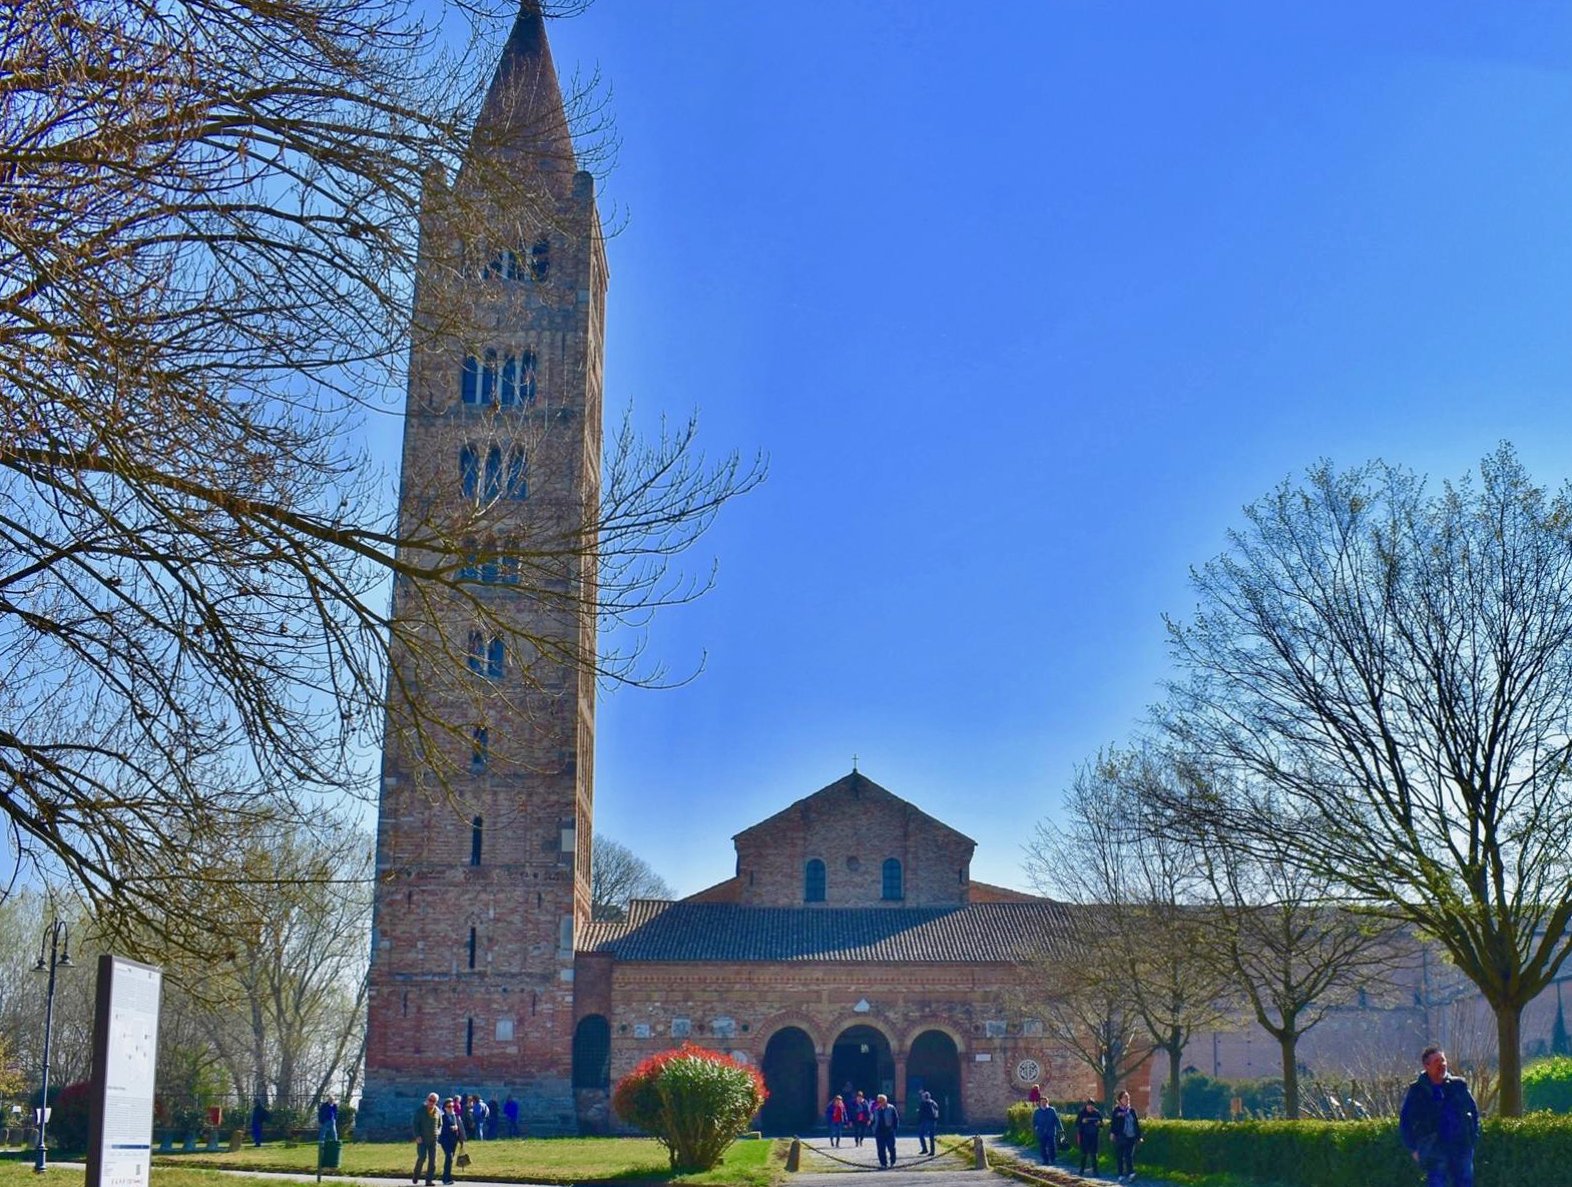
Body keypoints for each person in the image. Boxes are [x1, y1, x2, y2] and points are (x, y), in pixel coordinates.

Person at [1400, 1046, 1481, 1187]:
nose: (1442, 1065)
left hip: (1461, 1147)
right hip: (1434, 1149)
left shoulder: (1458, 1086)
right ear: (1427, 1065)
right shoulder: (1417, 1091)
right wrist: (1413, 1149)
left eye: (1443, 1060)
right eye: (1437, 1061)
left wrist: (1473, 1138)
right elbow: (1405, 1122)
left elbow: (1473, 1112)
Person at [1110, 1089, 1141, 1182]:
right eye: (1125, 1097)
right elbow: (1113, 1123)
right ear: (1120, 1099)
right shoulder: (1116, 1110)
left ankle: (1131, 1174)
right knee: (1119, 1156)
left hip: (1131, 1136)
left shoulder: (1132, 1111)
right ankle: (1120, 1174)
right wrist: (1112, 1133)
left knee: (1128, 1155)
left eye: (1128, 1097)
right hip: (1120, 1136)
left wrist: (1139, 1136)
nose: (1127, 1099)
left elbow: (1136, 1124)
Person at [412, 1092, 441, 1187]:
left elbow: (440, 1124)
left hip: (433, 1139)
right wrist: (417, 1136)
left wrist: (438, 1132)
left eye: (434, 1101)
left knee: (433, 1161)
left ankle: (429, 1181)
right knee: (422, 1157)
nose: (431, 1102)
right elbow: (415, 1124)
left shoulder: (437, 1111)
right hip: (422, 1139)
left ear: (436, 1102)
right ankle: (416, 1174)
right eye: (430, 1100)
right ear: (427, 1099)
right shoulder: (420, 1111)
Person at [438, 1098, 467, 1184]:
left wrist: (462, 1140)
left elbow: (461, 1128)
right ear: (445, 1108)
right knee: (449, 1157)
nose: (451, 1108)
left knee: (450, 1159)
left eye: (452, 1106)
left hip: (454, 1141)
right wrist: (451, 1128)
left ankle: (448, 1177)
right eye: (449, 1106)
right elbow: (440, 1128)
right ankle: (445, 1178)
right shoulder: (442, 1117)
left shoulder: (455, 1116)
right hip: (445, 1140)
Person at [871, 1092, 900, 1169]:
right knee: (881, 1148)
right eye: (879, 1101)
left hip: (889, 1130)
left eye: (882, 1101)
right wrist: (873, 1128)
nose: (880, 1103)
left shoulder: (891, 1108)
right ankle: (883, 1163)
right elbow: (873, 1120)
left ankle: (892, 1162)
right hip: (879, 1131)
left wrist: (894, 1128)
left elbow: (896, 1119)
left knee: (891, 1147)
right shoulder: (876, 1110)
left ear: (885, 1101)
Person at [1031, 1098, 1064, 1166]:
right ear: (1039, 1103)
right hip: (1041, 1132)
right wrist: (1036, 1127)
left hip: (1051, 1131)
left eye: (1045, 1102)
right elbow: (1034, 1121)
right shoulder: (1037, 1111)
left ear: (1047, 1102)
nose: (1043, 1103)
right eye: (1042, 1102)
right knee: (1043, 1147)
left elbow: (1056, 1120)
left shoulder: (1051, 1110)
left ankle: (1053, 1159)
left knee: (1052, 1146)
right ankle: (1045, 1160)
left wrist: (1060, 1129)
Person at [1075, 1098, 1102, 1176]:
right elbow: (1076, 1124)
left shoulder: (1097, 1113)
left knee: (1094, 1155)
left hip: (1094, 1136)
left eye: (1092, 1106)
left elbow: (1101, 1124)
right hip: (1084, 1136)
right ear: (1086, 1106)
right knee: (1084, 1154)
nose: (1090, 1107)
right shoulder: (1082, 1113)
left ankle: (1095, 1172)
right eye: (1089, 1105)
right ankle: (1081, 1171)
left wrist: (1099, 1124)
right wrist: (1082, 1122)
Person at [916, 1090, 939, 1155]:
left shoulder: (923, 1103)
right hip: (933, 1121)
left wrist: (918, 1113)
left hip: (925, 1121)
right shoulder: (934, 1103)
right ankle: (932, 1151)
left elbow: (921, 1113)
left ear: (924, 1097)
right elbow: (937, 1111)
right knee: (931, 1136)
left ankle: (924, 1149)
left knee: (921, 1134)